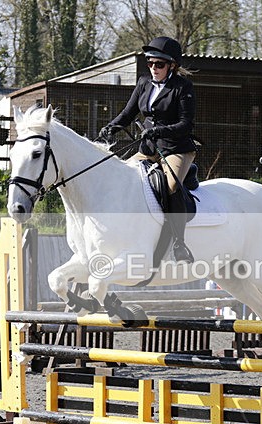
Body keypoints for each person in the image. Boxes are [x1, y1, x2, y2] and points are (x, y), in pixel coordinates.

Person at [99, 36, 197, 263]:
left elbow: (185, 124)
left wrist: (158, 132)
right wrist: (111, 127)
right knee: (124, 176)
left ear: (172, 65)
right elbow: (128, 113)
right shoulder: (144, 83)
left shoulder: (183, 87)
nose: (154, 68)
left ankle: (179, 243)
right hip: (149, 147)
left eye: (159, 64)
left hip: (176, 148)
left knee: (171, 185)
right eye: (150, 63)